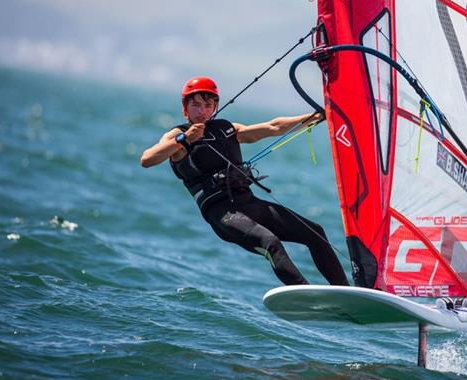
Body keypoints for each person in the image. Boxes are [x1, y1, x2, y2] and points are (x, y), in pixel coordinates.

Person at [140, 76, 349, 286]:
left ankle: (346, 291)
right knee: (270, 242)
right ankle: (307, 296)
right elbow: (147, 159)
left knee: (315, 232)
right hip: (223, 215)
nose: (202, 111)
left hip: (250, 203)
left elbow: (273, 127)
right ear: (185, 108)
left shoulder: (226, 128)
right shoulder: (178, 135)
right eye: (196, 105)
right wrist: (183, 140)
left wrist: (318, 116)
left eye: (208, 105)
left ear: (215, 107)